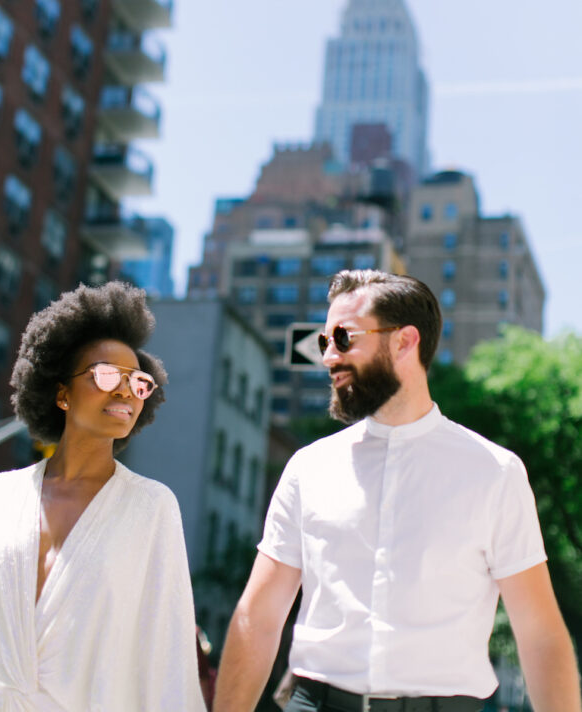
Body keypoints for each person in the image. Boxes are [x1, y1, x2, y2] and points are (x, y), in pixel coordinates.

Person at [213, 270, 581, 712]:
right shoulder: (307, 468)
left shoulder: (495, 472)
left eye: (343, 338)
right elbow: (259, 615)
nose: (329, 357)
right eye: (323, 342)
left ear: (405, 341)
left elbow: (539, 633)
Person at [0, 281, 207, 712]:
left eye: (138, 382)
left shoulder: (152, 509)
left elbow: (166, 659)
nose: (124, 391)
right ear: (62, 393)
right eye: (105, 375)